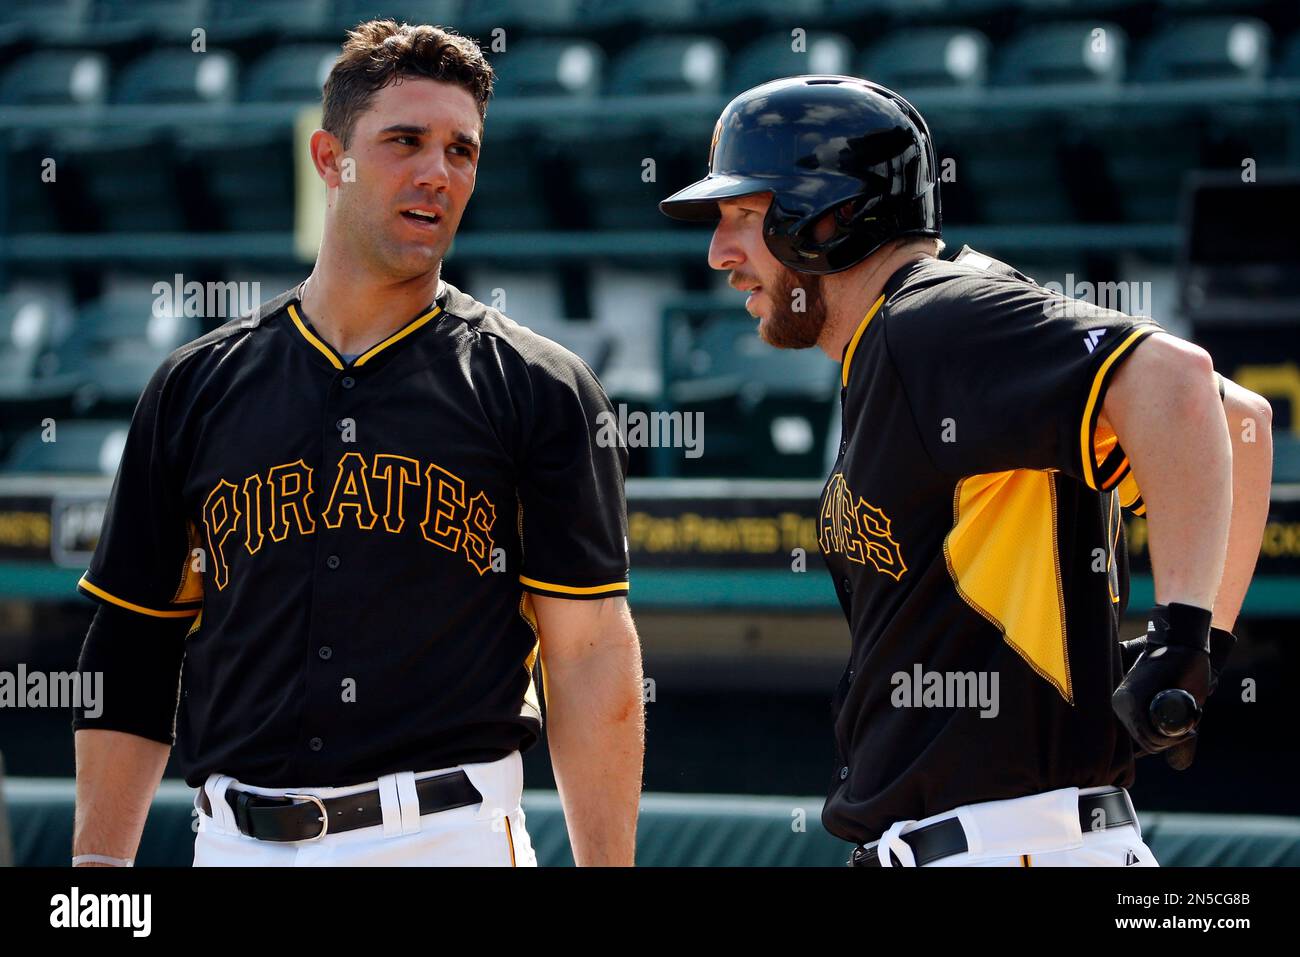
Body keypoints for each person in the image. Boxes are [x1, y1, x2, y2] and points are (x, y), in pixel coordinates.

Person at [71, 20, 643, 868]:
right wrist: (97, 879)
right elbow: (133, 644)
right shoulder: (196, 386)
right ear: (328, 156)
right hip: (234, 840)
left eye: (462, 151)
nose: (436, 172)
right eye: (404, 141)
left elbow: (591, 652)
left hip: (445, 835)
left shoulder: (541, 388)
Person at [660, 75, 1273, 867]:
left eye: (743, 216)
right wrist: (1200, 652)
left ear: (833, 214)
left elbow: (1184, 382)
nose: (719, 253)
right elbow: (1243, 426)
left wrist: (1184, 638)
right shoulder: (900, 338)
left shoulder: (932, 317)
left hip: (1004, 844)